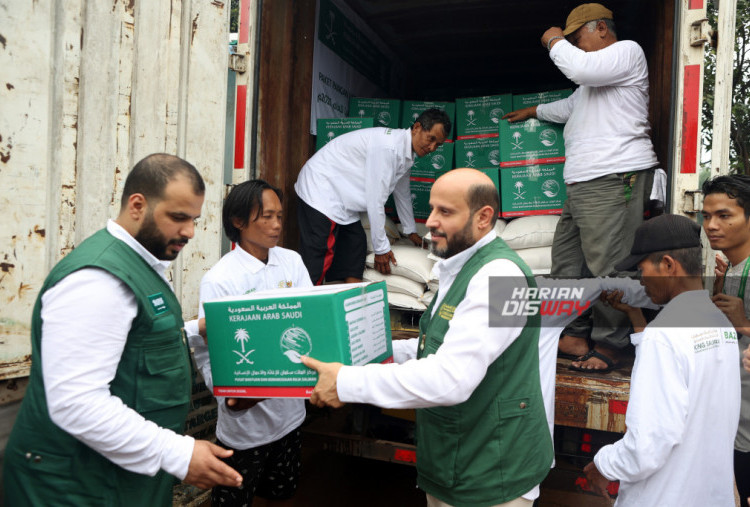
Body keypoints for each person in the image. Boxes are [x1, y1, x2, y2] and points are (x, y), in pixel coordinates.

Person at [302, 168, 553, 507]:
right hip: (456, 462)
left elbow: (450, 379)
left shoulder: (503, 278)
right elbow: (433, 346)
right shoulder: (461, 268)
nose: (430, 221)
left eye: (445, 212)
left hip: (493, 475)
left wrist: (347, 382)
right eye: (432, 209)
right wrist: (362, 352)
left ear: (483, 217)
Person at [3, 154, 242, 506]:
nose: (189, 232)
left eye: (193, 219)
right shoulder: (98, 280)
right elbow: (76, 402)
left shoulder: (140, 261)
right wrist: (177, 453)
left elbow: (132, 340)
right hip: (75, 486)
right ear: (137, 205)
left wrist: (193, 330)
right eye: (178, 217)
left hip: (113, 479)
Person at [503, 3, 659, 372]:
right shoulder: (592, 86)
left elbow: (578, 67)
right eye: (570, 40)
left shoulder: (626, 52)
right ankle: (572, 335)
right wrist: (533, 111)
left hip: (613, 177)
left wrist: (553, 38)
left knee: (610, 267)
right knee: (567, 266)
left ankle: (612, 345)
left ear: (601, 28)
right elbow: (568, 107)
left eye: (578, 38)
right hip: (581, 185)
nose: (575, 46)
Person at [584, 214, 740, 506]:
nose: (641, 279)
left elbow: (647, 446)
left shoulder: (665, 334)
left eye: (642, 268)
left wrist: (603, 466)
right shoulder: (719, 323)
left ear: (668, 265)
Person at [186, 180, 312, 506]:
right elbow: (208, 349)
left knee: (280, 492)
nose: (277, 225)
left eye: (280, 216)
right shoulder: (221, 278)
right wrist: (231, 396)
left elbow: (308, 324)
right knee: (234, 497)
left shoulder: (291, 263)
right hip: (247, 426)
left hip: (290, 414)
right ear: (239, 222)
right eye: (266, 216)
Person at [295, 108, 451, 284]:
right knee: (320, 253)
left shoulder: (406, 153)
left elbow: (402, 192)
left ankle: (349, 301)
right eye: (431, 139)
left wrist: (410, 231)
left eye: (438, 144)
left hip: (342, 194)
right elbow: (375, 200)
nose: (432, 147)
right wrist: (381, 249)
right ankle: (307, 304)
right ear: (416, 128)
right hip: (321, 190)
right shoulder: (388, 148)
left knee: (355, 244)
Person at [701, 174, 750, 504]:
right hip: (735, 420)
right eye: (706, 216)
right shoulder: (731, 268)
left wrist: (743, 323)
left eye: (724, 215)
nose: (711, 225)